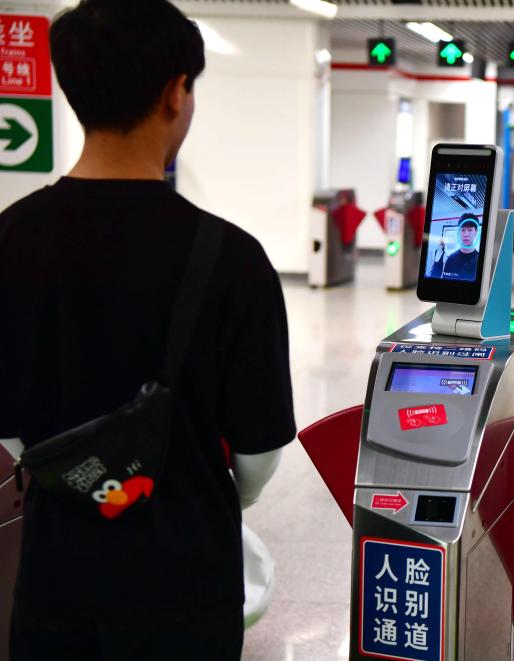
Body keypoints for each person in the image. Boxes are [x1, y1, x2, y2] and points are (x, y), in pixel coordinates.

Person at [0, 1, 295, 659]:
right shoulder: (232, 259)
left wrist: (79, 474)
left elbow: (10, 426)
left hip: (53, 580)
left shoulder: (10, 239)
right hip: (186, 583)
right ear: (174, 92)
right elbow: (258, 449)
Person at [429, 214, 480, 280]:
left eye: (470, 230)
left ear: (476, 232)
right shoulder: (450, 259)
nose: (466, 234)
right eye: (463, 230)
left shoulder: (480, 260)